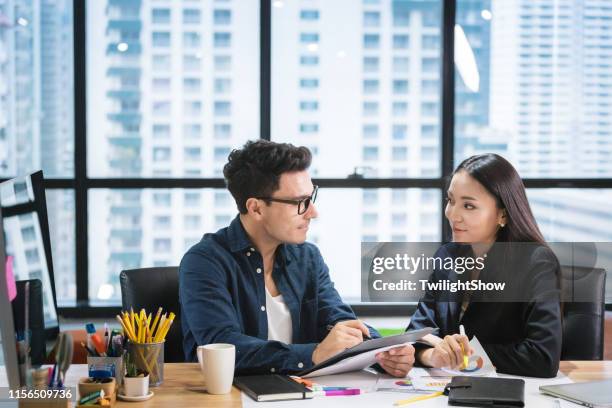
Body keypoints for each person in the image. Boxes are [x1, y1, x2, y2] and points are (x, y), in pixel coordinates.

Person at [179, 140, 414, 376]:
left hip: (302, 393)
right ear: (256, 208)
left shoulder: (307, 257)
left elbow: (337, 320)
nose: (313, 212)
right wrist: (313, 354)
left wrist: (383, 351)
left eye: (311, 198)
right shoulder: (204, 262)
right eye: (299, 202)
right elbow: (223, 347)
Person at [407, 153, 562, 378]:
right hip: (451, 390)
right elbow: (416, 333)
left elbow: (543, 358)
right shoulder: (449, 256)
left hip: (514, 392)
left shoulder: (536, 262)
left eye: (469, 206)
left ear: (503, 215)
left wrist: (465, 356)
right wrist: (432, 356)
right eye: (451, 200)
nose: (453, 215)